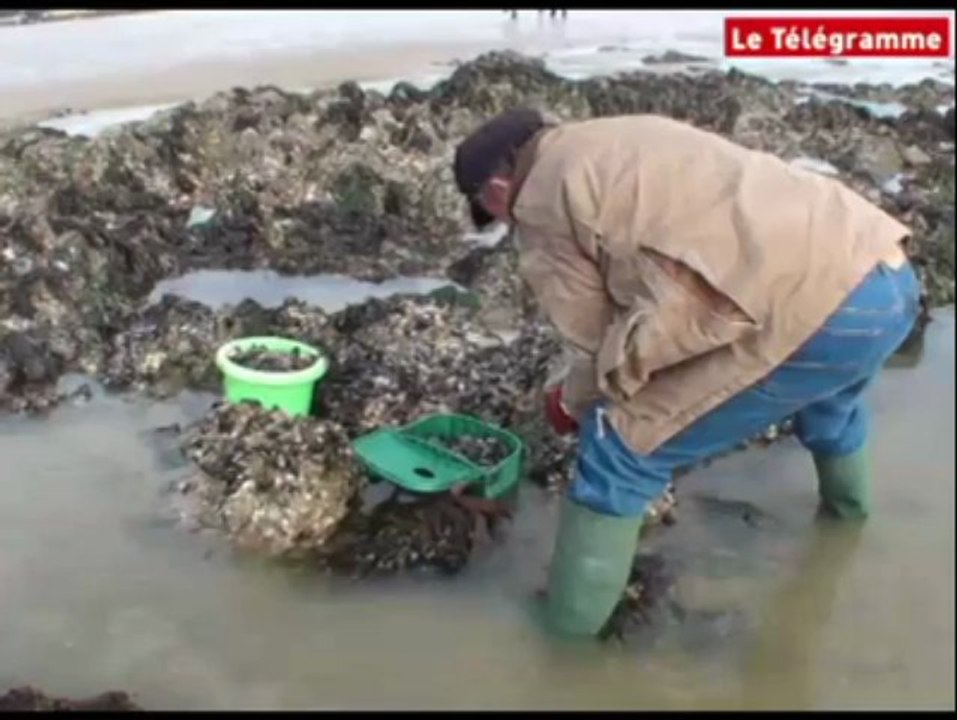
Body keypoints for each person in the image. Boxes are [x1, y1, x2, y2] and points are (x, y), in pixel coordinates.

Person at [452, 109, 919, 638]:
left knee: (619, 451)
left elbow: (602, 345)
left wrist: (570, 403)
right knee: (828, 400)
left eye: (490, 211)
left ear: (496, 188)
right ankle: (846, 528)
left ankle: (564, 644)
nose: (502, 221)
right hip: (886, 276)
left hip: (812, 319)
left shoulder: (538, 202)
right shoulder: (623, 131)